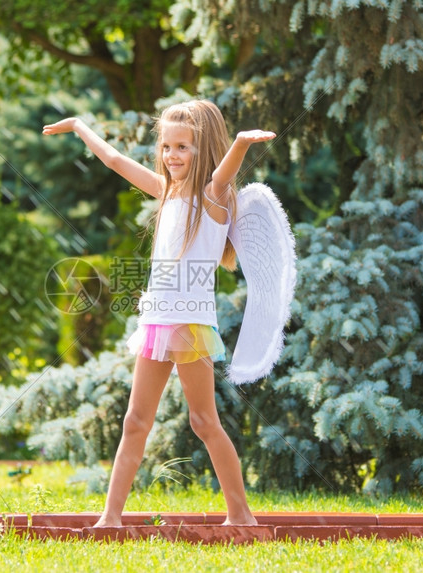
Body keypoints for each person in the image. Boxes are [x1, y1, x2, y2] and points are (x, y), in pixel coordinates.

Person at [43, 99, 275, 527]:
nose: (171, 155)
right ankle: (109, 518)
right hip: (156, 322)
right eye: (166, 146)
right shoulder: (166, 192)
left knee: (204, 420)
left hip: (189, 324)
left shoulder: (213, 198)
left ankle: (241, 515)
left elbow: (225, 172)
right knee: (135, 421)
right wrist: (79, 125)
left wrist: (241, 143)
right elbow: (113, 160)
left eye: (182, 147)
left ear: (202, 150)